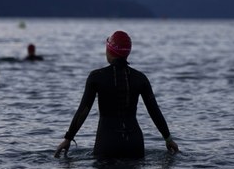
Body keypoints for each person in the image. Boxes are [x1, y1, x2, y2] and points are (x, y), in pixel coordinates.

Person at [55, 31, 179, 159]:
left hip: (107, 143)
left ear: (109, 50)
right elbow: (154, 110)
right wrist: (168, 138)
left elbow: (83, 111)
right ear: (128, 52)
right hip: (134, 143)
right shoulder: (140, 78)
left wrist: (68, 138)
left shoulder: (96, 77)